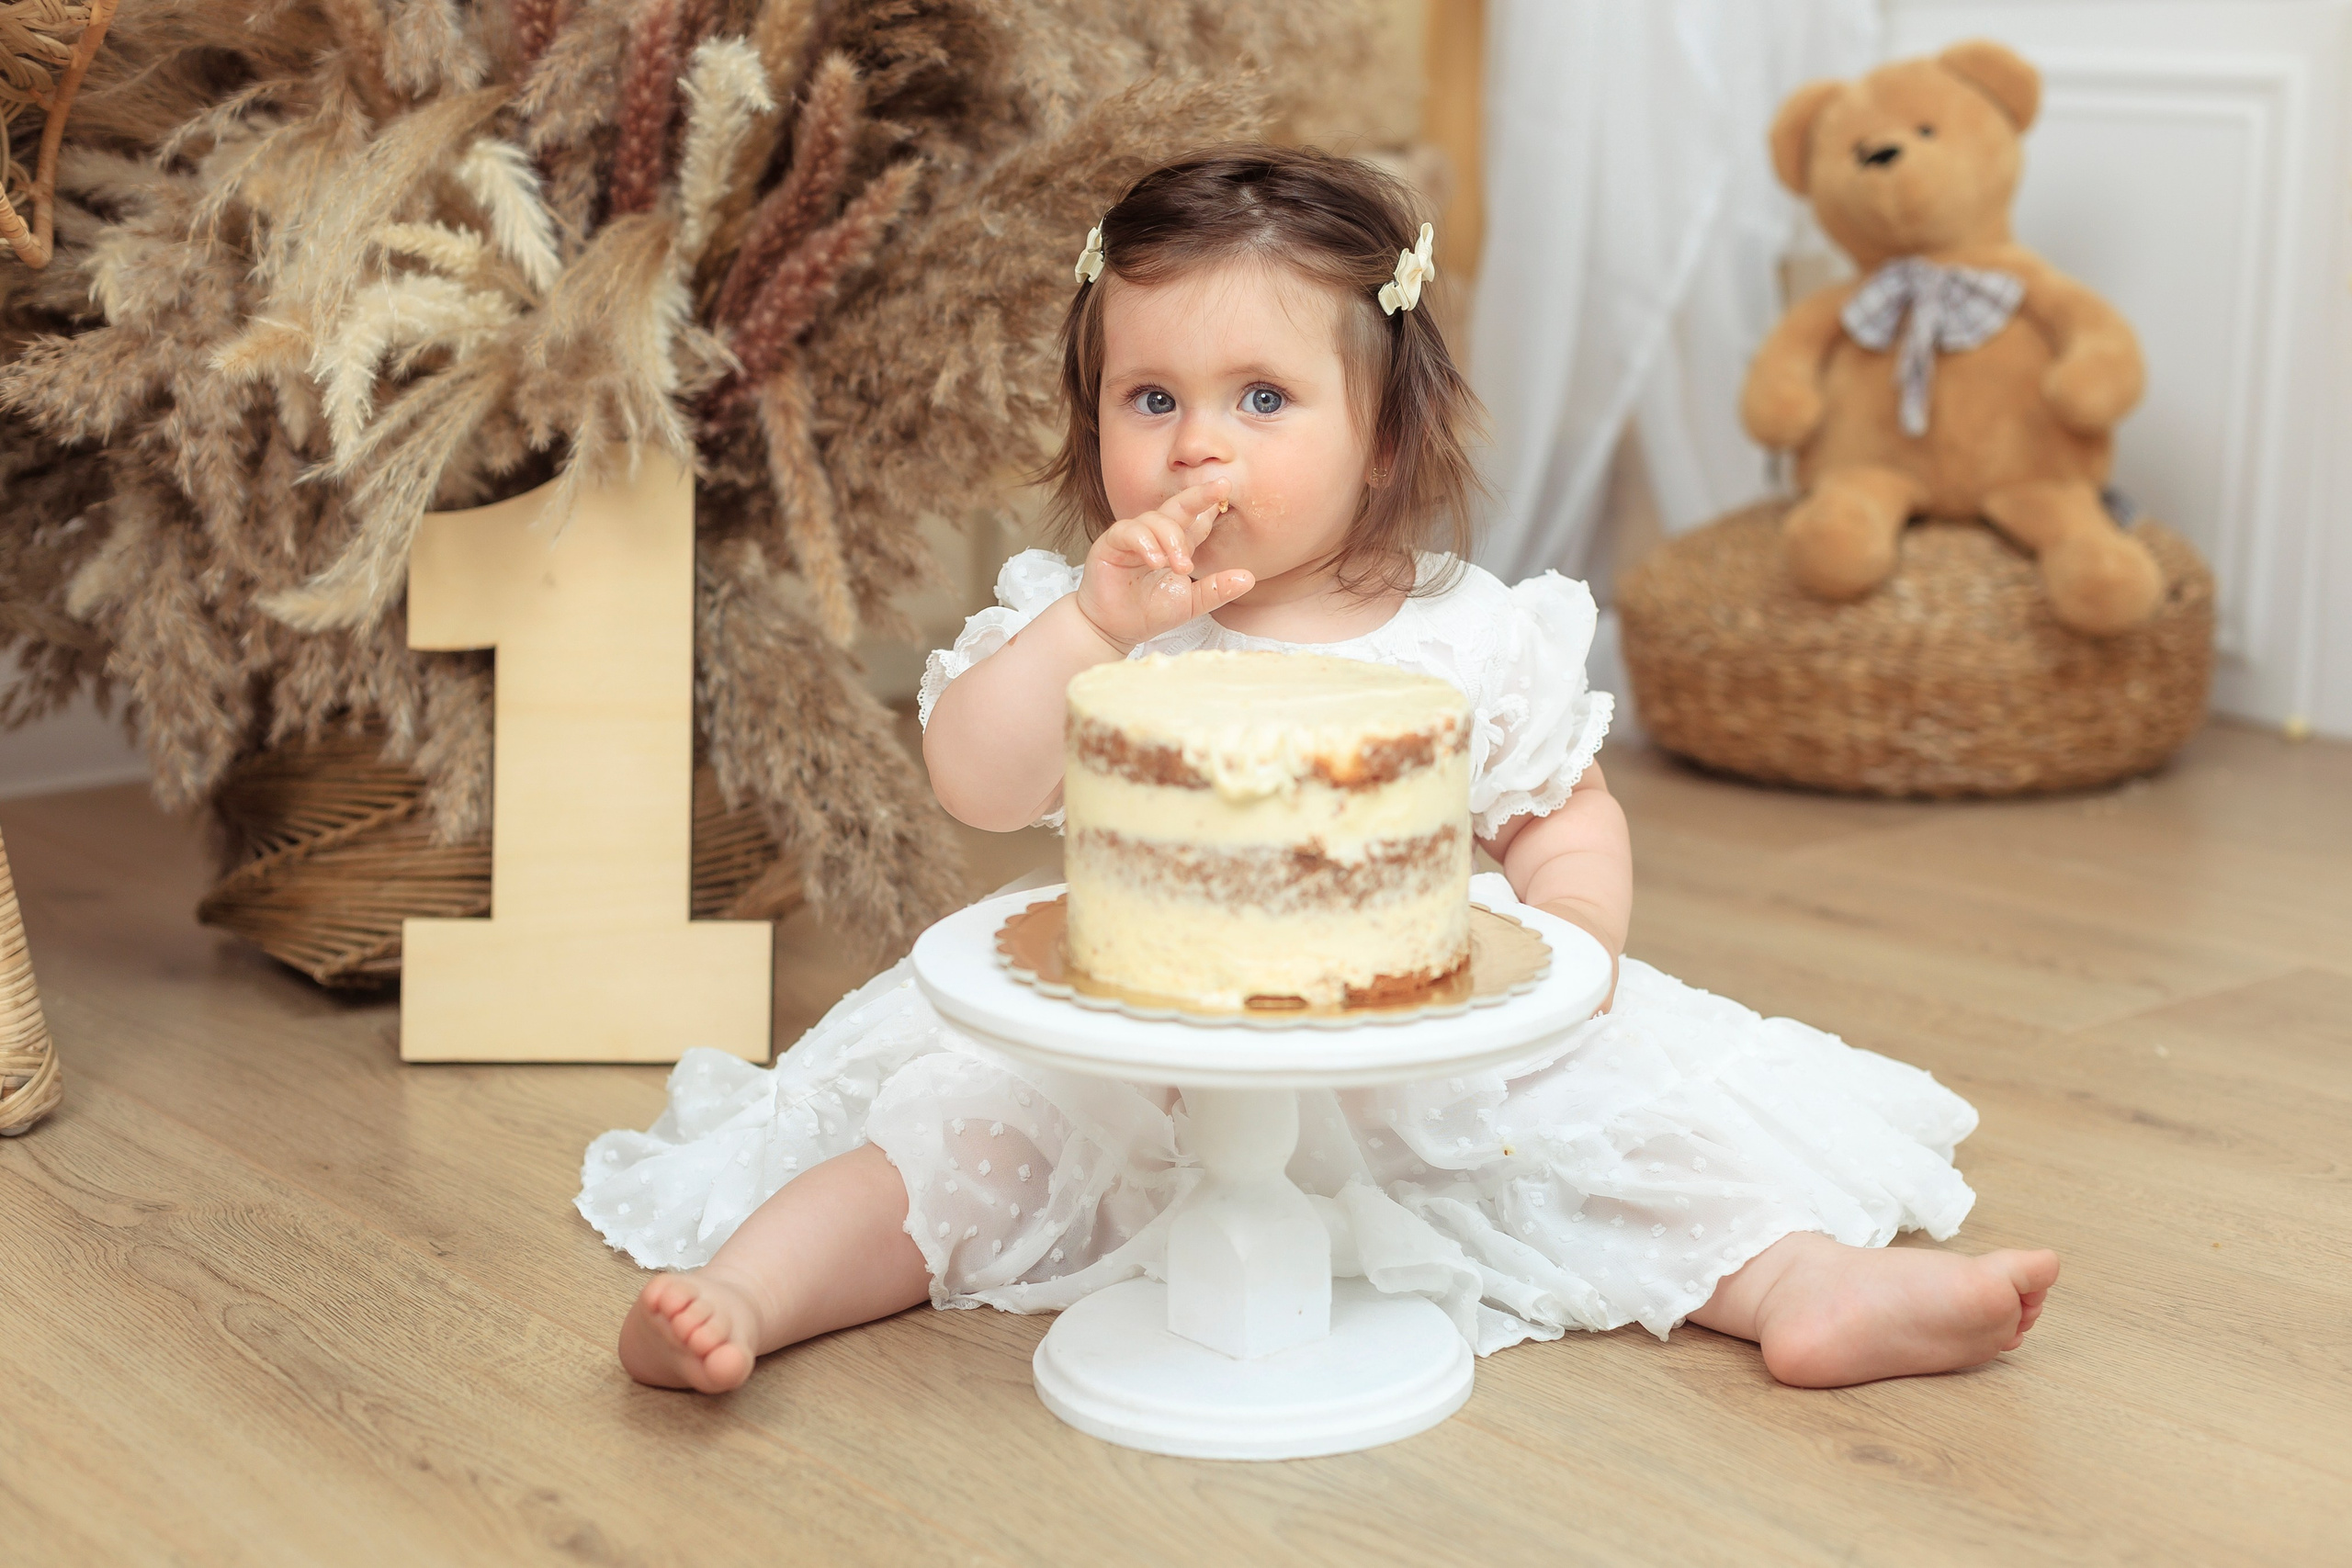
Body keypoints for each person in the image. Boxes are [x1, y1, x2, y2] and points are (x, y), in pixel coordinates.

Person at [582, 146, 2058, 1395]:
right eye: (1148, 399)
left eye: (1261, 401)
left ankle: (1797, 1280)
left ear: (1383, 433)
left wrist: (1576, 935)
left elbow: (1559, 811)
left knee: (1622, 1129)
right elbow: (974, 776)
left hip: (1409, 1032)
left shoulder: (1468, 633)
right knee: (945, 1140)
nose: (1195, 447)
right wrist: (1090, 628)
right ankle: (757, 1294)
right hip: (1130, 1038)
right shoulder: (1089, 613)